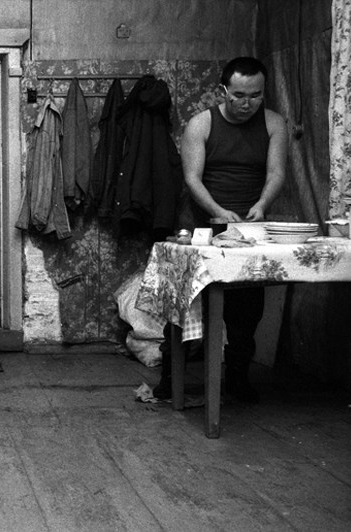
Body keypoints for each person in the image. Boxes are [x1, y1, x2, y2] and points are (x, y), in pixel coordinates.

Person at [155, 57, 287, 403]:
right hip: (200, 222)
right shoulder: (202, 124)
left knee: (246, 310)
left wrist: (261, 206)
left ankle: (238, 379)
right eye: (239, 95)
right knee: (185, 305)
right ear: (222, 91)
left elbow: (276, 174)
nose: (247, 104)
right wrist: (217, 212)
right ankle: (171, 377)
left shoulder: (274, 124)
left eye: (255, 96)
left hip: (248, 226)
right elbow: (191, 178)